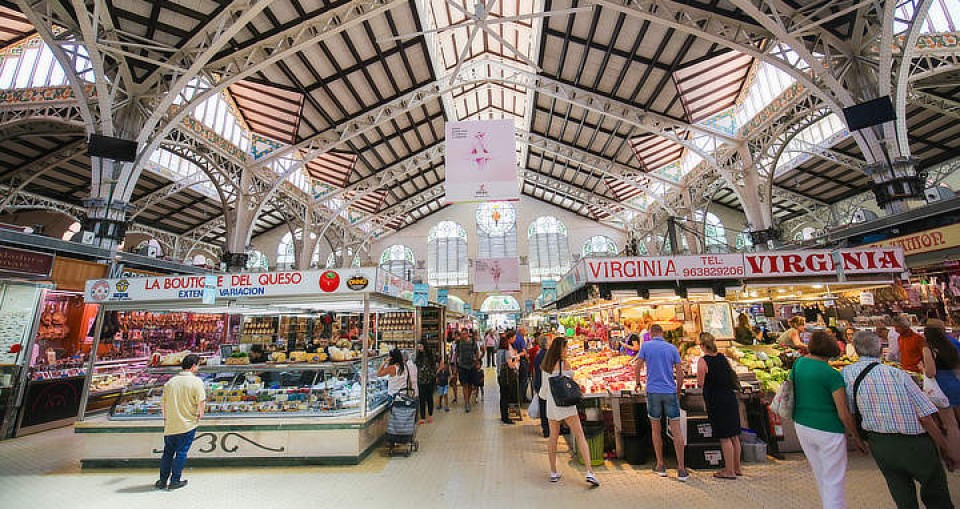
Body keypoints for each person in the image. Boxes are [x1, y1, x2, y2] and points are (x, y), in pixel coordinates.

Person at [846, 330, 957, 509]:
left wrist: (857, 438)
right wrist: (944, 448)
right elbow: (926, 417)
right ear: (880, 349)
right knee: (936, 494)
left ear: (857, 351)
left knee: (901, 493)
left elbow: (849, 412)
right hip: (915, 443)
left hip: (880, 443)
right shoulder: (898, 374)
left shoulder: (846, 374)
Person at [791, 330, 866, 509]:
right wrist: (856, 436)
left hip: (802, 425)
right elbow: (843, 413)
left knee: (821, 475)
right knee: (834, 480)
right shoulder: (831, 375)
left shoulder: (799, 364)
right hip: (828, 430)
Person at [540, 335, 600, 486]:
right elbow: (571, 382)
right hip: (566, 404)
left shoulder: (546, 365)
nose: (567, 350)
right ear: (560, 349)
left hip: (552, 405)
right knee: (579, 435)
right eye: (566, 348)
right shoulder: (565, 364)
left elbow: (544, 391)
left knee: (553, 437)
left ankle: (553, 472)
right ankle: (589, 471)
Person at [634, 324, 688, 481]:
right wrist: (678, 389)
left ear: (650, 334)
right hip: (670, 391)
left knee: (655, 429)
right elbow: (680, 373)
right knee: (676, 430)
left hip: (653, 392)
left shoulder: (646, 347)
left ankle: (660, 465)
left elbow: (637, 366)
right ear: (662, 333)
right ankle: (681, 468)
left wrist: (638, 382)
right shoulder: (672, 348)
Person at [696, 333, 742, 479]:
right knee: (734, 435)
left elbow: (701, 382)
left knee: (724, 437)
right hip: (729, 397)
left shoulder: (703, 361)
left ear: (703, 346)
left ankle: (729, 471)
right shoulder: (723, 358)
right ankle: (737, 467)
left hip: (716, 400)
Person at [157, 354, 206, 491]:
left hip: (171, 424)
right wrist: (200, 415)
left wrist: (167, 418)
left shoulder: (171, 382)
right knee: (181, 453)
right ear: (194, 366)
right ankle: (175, 481)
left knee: (167, 453)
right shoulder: (196, 382)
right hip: (187, 424)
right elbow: (201, 402)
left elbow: (164, 403)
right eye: (198, 365)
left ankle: (162, 481)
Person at [922, 325, 960, 463]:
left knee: (951, 425)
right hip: (956, 384)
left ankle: (956, 457)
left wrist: (922, 367)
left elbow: (930, 372)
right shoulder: (950, 347)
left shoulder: (928, 349)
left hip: (941, 388)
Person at [455, 329, 480, 413]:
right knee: (464, 385)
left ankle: (468, 400)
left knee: (470, 385)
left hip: (471, 366)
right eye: (461, 334)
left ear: (467, 334)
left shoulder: (473, 342)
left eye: (464, 334)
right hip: (462, 367)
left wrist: (477, 362)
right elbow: (456, 354)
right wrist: (455, 366)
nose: (463, 336)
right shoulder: (459, 343)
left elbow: (477, 352)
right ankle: (466, 402)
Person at [497, 336, 519, 425]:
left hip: (500, 376)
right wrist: (516, 360)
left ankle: (503, 416)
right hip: (507, 377)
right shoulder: (506, 352)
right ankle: (506, 418)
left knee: (502, 397)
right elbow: (510, 365)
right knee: (506, 397)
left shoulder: (498, 352)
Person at [533, 334, 552, 437]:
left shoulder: (539, 354)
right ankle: (547, 429)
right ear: (547, 343)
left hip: (540, 383)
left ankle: (546, 428)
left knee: (543, 406)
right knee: (546, 407)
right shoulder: (546, 355)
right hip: (544, 385)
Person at [414, 344, 437, 424]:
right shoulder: (418, 357)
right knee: (422, 399)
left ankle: (430, 415)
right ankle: (423, 417)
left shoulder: (430, 356)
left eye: (420, 346)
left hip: (429, 380)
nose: (419, 348)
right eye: (418, 347)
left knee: (429, 397)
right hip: (421, 380)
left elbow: (434, 365)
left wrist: (433, 375)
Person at [514, 327, 530, 403]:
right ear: (521, 331)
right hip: (522, 361)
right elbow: (524, 350)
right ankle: (522, 398)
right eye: (525, 330)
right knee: (524, 380)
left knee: (520, 380)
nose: (526, 332)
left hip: (517, 361)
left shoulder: (516, 337)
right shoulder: (521, 338)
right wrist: (527, 357)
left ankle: (519, 398)